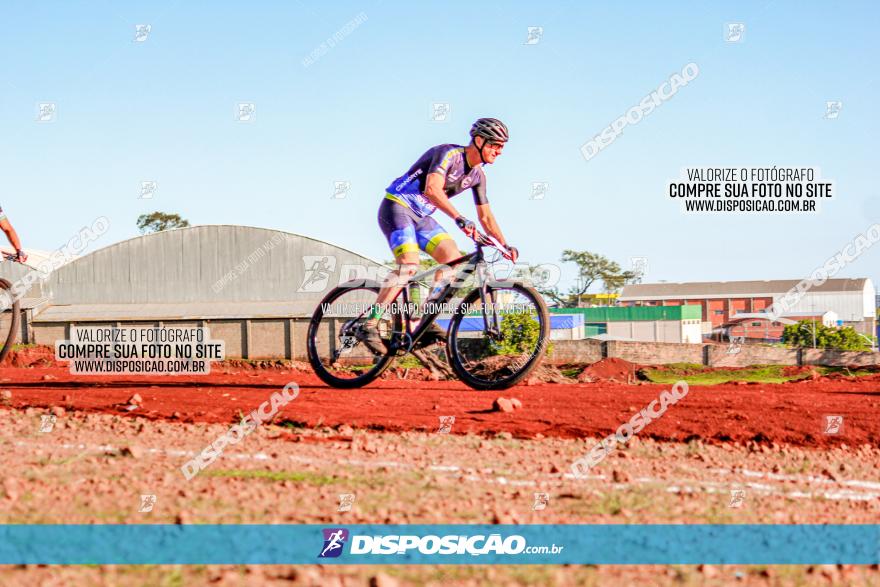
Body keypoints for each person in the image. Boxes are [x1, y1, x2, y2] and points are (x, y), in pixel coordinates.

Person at [357, 117, 518, 353]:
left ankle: (425, 319)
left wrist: (504, 245)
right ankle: (369, 323)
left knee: (453, 259)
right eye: (495, 145)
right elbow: (432, 189)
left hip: (421, 217)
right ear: (480, 140)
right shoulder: (448, 153)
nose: (499, 151)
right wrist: (458, 218)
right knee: (409, 265)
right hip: (397, 207)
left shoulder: (478, 176)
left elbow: (486, 218)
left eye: (502, 147)